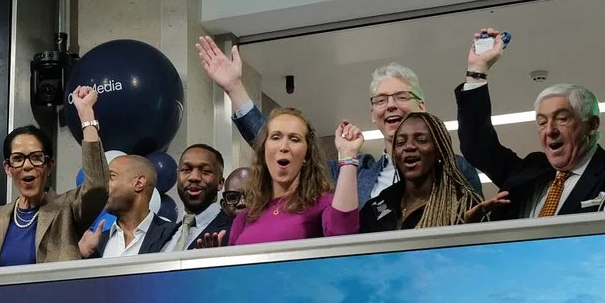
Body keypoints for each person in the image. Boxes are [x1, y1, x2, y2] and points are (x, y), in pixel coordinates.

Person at [197, 38, 481, 191]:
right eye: (381, 100)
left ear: (422, 106)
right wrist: (235, 89)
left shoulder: (454, 168)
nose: (391, 105)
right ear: (373, 114)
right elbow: (279, 147)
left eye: (402, 97)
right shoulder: (353, 174)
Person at [456, 28, 605, 217]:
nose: (550, 130)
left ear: (592, 125)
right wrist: (477, 70)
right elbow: (477, 146)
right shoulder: (530, 170)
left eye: (562, 119)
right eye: (542, 122)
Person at [0, 86, 107, 267]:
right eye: (18, 159)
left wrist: (86, 114)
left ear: (49, 166)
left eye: (37, 158)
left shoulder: (67, 209)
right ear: (8, 168)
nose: (28, 165)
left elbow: (98, 185)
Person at [226, 108, 362, 244]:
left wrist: (348, 155)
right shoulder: (244, 218)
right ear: (264, 151)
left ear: (306, 156)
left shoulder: (323, 204)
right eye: (275, 137)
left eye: (294, 139)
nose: (284, 146)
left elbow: (343, 233)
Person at [362, 111, 499, 231]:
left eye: (421, 140)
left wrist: (465, 231)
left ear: (439, 150)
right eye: (400, 142)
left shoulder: (463, 204)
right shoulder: (379, 204)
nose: (408, 146)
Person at [82, 154, 176, 256]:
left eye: (111, 176)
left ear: (139, 183)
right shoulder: (96, 245)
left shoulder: (173, 236)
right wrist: (82, 255)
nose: (102, 185)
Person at [158, 143, 236, 252]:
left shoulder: (235, 231)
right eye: (186, 169)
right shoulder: (162, 236)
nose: (194, 177)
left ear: (220, 183)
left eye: (205, 171)